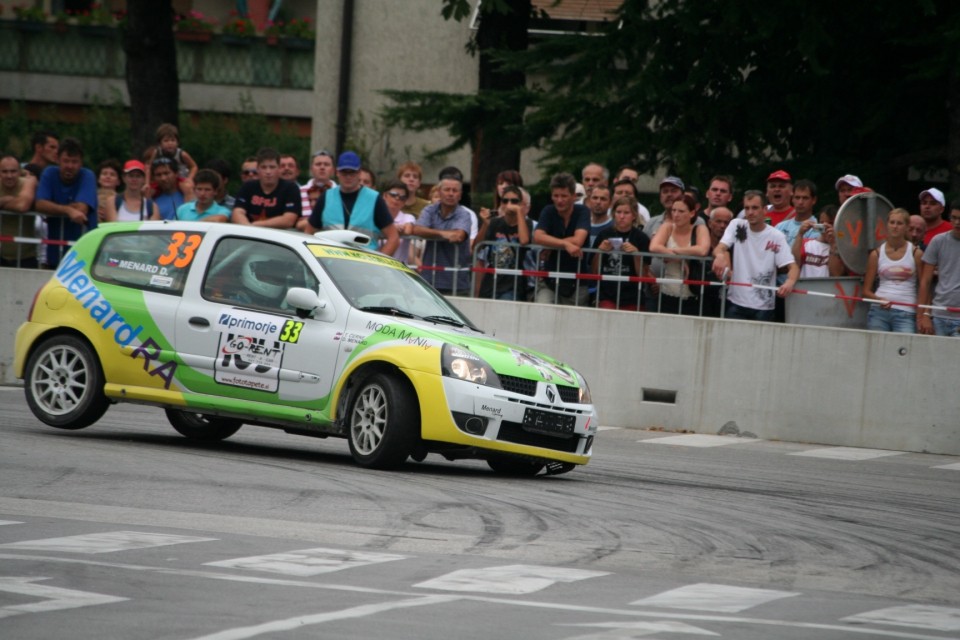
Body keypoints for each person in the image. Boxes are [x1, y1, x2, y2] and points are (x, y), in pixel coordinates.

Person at [712, 190, 798, 321]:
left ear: (765, 210)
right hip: (736, 301)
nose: (750, 212)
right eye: (747, 208)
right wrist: (719, 256)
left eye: (755, 208)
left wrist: (789, 282)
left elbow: (793, 267)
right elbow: (720, 247)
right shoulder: (737, 225)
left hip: (764, 306)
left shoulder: (777, 236)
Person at [306, 151, 399, 254]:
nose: (348, 176)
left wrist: (379, 263)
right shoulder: (326, 197)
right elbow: (308, 233)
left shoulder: (374, 198)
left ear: (359, 173)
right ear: (337, 172)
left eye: (352, 172)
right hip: (330, 264)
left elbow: (393, 238)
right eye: (344, 172)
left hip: (364, 264)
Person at [34, 137, 98, 269]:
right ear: (57, 159)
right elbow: (40, 204)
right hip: (54, 253)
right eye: (66, 161)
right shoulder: (49, 173)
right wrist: (69, 210)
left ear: (81, 163)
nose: (70, 166)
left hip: (83, 256)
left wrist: (52, 205)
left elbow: (81, 208)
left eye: (75, 162)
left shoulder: (88, 175)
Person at [533, 172, 591, 305]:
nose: (559, 200)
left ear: (574, 196)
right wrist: (565, 245)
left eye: (564, 196)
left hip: (577, 281)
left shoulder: (583, 211)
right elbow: (537, 237)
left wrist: (551, 244)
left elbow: (578, 240)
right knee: (542, 311)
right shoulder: (548, 211)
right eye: (556, 196)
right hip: (549, 280)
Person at [862, 208, 922, 333]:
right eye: (892, 222)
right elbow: (866, 291)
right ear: (887, 225)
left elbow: (924, 286)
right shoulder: (876, 254)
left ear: (906, 227)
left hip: (906, 311)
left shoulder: (916, 253)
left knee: (904, 349)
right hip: (879, 311)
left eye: (899, 223)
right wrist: (878, 300)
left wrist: (922, 315)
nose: (895, 226)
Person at [650, 192, 711, 315]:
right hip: (667, 293)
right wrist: (680, 260)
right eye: (673, 210)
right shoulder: (667, 227)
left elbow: (703, 250)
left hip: (693, 295)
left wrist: (676, 253)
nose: (676, 215)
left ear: (692, 213)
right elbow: (654, 246)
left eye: (681, 211)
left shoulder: (700, 228)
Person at [412, 175, 473, 294]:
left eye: (454, 190)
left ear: (460, 195)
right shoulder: (429, 210)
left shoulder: (464, 214)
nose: (450, 194)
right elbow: (418, 229)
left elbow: (458, 236)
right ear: (439, 192)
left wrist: (431, 232)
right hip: (429, 278)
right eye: (447, 189)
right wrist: (443, 234)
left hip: (456, 281)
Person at [475, 184, 533, 301]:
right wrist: (485, 225)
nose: (509, 204)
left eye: (514, 201)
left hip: (513, 284)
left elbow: (524, 240)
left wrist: (519, 212)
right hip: (491, 282)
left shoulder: (526, 223)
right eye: (505, 201)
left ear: (521, 204)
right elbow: (476, 247)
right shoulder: (495, 222)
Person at [592, 195, 650, 311]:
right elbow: (594, 271)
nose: (622, 217)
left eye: (626, 213)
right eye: (618, 212)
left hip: (633, 296)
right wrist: (600, 252)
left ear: (634, 215)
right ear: (613, 214)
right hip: (607, 295)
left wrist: (636, 254)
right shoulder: (604, 234)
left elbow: (643, 275)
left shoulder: (641, 238)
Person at [917, 202, 960, 336]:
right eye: (954, 218)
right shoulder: (938, 241)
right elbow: (925, 281)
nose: (957, 223)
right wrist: (923, 315)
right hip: (938, 312)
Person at [232, 148, 302, 229]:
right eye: (263, 167)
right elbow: (237, 212)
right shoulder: (248, 187)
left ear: (279, 168)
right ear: (258, 169)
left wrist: (256, 225)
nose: (268, 172)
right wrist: (248, 228)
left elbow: (289, 220)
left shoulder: (290, 188)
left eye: (272, 167)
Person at [0, 153, 38, 268]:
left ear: (20, 172)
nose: (9, 175)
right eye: (5, 172)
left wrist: (2, 202)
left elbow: (22, 206)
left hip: (27, 257)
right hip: (2, 256)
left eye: (13, 171)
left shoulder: (28, 182)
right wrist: (11, 200)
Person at [143, 123, 196, 199]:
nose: (170, 143)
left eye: (173, 140)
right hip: (162, 178)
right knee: (148, 191)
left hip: (180, 177)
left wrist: (190, 178)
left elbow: (193, 166)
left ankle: (186, 207)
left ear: (177, 142)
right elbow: (148, 167)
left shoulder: (182, 154)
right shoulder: (157, 152)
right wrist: (147, 182)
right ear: (160, 143)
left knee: (187, 188)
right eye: (166, 141)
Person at [791, 209, 844, 278]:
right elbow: (794, 264)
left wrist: (833, 244)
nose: (825, 226)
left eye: (830, 223)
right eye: (822, 223)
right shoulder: (806, 243)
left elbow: (836, 274)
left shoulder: (842, 248)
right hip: (805, 287)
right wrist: (800, 234)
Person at [297, 149, 337, 229]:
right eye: (318, 164)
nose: (322, 167)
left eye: (326, 164)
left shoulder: (340, 193)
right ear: (311, 169)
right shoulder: (299, 191)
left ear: (333, 170)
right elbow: (296, 223)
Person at [380, 179, 417, 264]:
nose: (397, 198)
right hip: (377, 266)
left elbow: (407, 230)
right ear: (385, 196)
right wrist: (394, 228)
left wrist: (387, 229)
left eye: (402, 197)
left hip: (399, 269)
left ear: (404, 202)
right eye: (393, 195)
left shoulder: (408, 217)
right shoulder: (376, 216)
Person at [776, 179, 819, 247]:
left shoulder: (816, 228)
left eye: (805, 198)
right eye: (797, 197)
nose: (800, 202)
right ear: (792, 199)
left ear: (814, 200)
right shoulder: (780, 227)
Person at [95, 159, 122, 223]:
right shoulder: (90, 196)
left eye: (112, 175)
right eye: (104, 174)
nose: (108, 177)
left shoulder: (121, 199)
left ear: (118, 181)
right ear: (98, 179)